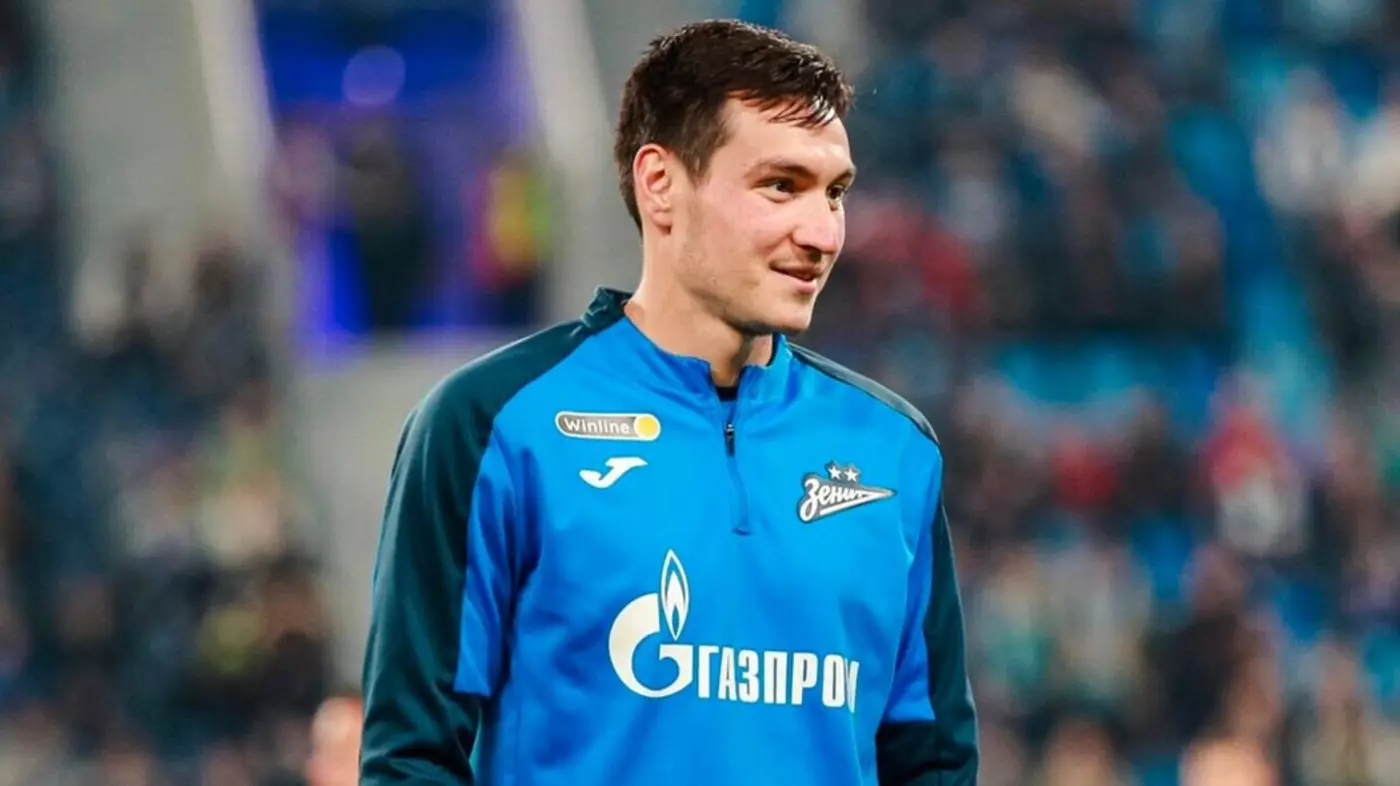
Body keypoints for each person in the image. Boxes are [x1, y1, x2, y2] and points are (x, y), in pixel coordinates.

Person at [359, 18, 979, 785]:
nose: (822, 233)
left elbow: (933, 765)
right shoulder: (492, 425)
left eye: (835, 193)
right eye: (781, 186)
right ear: (660, 184)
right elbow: (413, 757)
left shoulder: (893, 451)